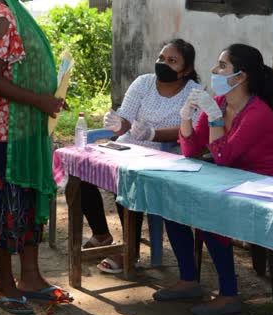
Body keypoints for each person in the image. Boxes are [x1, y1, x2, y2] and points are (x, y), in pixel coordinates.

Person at [153, 44, 273, 315]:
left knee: (209, 211)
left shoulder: (257, 113)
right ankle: (188, 279)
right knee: (172, 203)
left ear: (240, 76)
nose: (213, 70)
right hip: (234, 178)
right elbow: (191, 150)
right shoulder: (217, 104)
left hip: (266, 185)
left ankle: (229, 293)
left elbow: (223, 156)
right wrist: (186, 117)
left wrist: (215, 121)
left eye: (222, 66)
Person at [0, 0, 72, 314]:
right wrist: (40, 100)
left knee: (30, 199)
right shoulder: (1, 16)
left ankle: (30, 276)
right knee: (6, 206)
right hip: (5, 133)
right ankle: (5, 285)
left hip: (28, 128)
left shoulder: (17, 10)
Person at [80, 39, 202, 274]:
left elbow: (193, 131)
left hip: (166, 155)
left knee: (128, 185)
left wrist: (154, 134)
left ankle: (130, 250)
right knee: (84, 172)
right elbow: (125, 119)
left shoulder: (194, 93)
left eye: (172, 61)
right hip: (130, 148)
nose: (164, 64)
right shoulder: (143, 83)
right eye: (161, 58)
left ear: (186, 69)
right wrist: (118, 124)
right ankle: (101, 234)